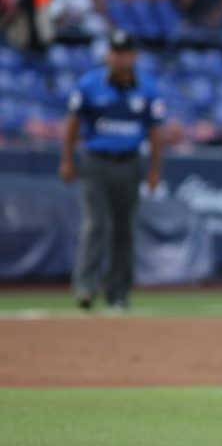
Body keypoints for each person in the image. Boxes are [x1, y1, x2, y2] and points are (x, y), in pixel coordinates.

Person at [59, 30, 166, 311]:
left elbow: (156, 133)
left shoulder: (147, 88)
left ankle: (118, 294)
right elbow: (72, 124)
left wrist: (155, 170)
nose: (119, 58)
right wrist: (67, 160)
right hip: (96, 162)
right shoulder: (89, 84)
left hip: (130, 162)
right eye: (115, 52)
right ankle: (86, 287)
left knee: (124, 228)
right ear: (108, 54)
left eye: (125, 53)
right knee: (96, 224)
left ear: (134, 56)